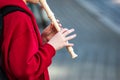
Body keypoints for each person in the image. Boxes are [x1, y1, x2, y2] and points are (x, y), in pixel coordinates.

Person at [0, 0, 76, 80]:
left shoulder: (7, 9)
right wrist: (51, 47)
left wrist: (41, 41)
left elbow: (11, 52)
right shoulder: (20, 17)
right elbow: (25, 70)